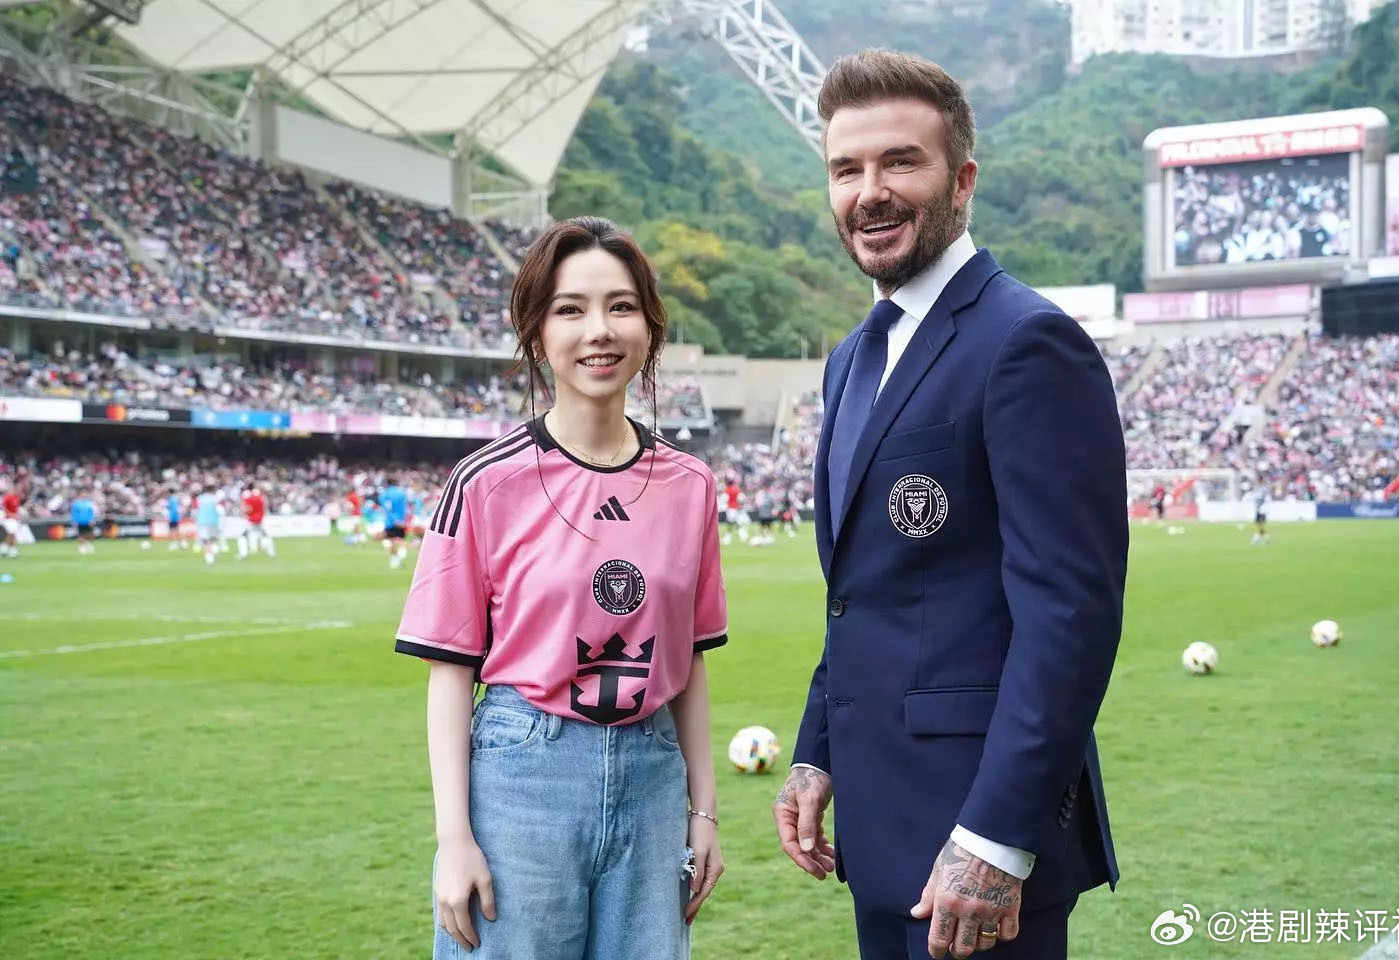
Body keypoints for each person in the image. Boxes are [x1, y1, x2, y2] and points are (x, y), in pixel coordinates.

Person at [772, 50, 1128, 960]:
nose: (870, 192)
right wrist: (817, 750)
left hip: (978, 848)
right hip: (880, 834)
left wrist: (997, 837)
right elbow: (866, 590)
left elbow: (1070, 613)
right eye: (846, 169)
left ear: (962, 180)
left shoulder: (1027, 343)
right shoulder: (852, 359)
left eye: (901, 162)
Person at [394, 216, 728, 960]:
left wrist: (703, 811)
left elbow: (690, 660)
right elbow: (450, 672)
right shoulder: (484, 483)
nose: (599, 330)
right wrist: (454, 839)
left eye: (621, 306)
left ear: (650, 325)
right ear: (537, 331)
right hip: (523, 777)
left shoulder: (691, 484)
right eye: (570, 309)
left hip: (653, 778)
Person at [380, 479, 411, 570]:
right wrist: (403, 520)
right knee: (401, 541)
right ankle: (399, 557)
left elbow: (388, 508)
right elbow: (406, 508)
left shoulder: (385, 494)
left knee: (391, 541)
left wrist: (394, 520)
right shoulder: (402, 493)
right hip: (402, 521)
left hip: (391, 521)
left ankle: (395, 560)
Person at [194, 485, 221, 565]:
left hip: (202, 522)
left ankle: (209, 557)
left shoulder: (199, 499)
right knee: (213, 539)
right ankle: (215, 552)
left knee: (205, 540)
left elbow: (195, 511)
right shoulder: (215, 498)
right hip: (213, 521)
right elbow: (220, 510)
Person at [2, 483, 21, 558]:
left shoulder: (17, 498)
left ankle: (4, 549)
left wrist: (17, 516)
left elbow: (16, 509)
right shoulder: (8, 497)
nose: (19, 491)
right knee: (11, 534)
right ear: (14, 489)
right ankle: (13, 551)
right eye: (18, 490)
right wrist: (11, 515)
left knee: (11, 535)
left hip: (14, 519)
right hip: (8, 519)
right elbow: (4, 508)